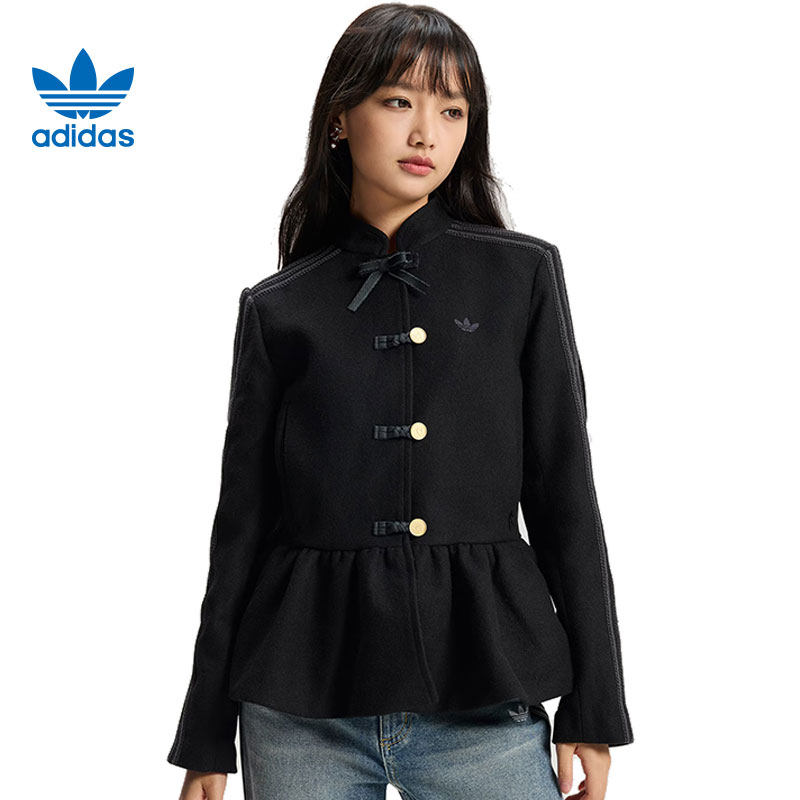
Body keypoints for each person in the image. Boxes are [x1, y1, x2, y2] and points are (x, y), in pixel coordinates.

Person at [167, 4, 634, 799]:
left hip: (483, 699)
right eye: (398, 101)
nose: (427, 133)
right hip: (298, 712)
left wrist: (596, 704)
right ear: (340, 117)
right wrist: (206, 733)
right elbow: (241, 526)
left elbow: (565, 500)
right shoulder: (278, 307)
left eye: (452, 111)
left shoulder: (520, 277)